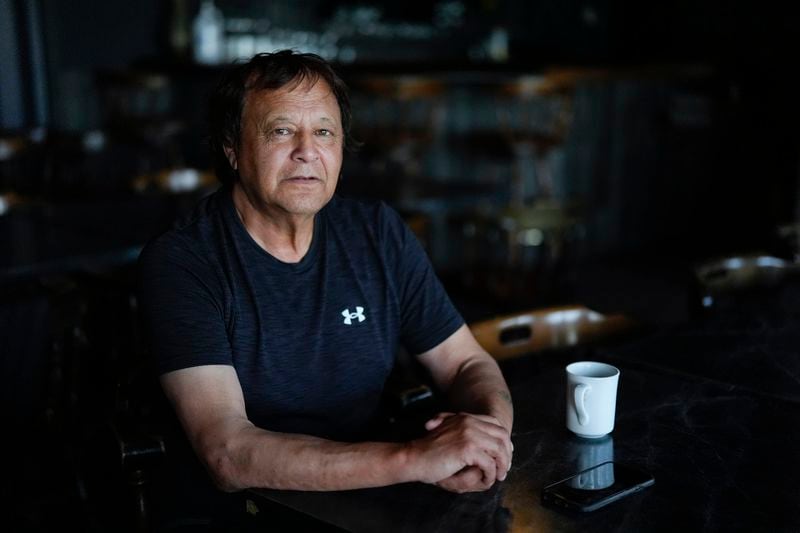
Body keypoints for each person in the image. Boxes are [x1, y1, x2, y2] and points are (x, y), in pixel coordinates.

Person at [138, 50, 513, 528]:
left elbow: (466, 362)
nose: (306, 150)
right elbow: (227, 453)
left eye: (324, 132)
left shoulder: (377, 232)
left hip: (371, 499)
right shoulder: (184, 261)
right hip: (246, 512)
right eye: (280, 131)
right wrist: (414, 459)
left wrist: (488, 441)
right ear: (232, 148)